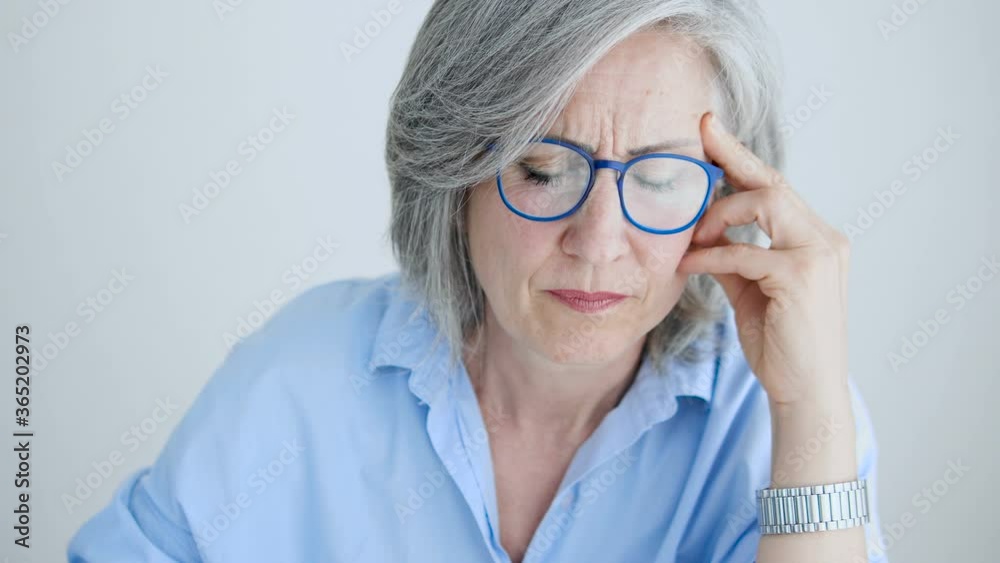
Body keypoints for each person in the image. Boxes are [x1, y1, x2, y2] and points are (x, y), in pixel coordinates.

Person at [68, 1, 886, 561]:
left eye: (661, 176)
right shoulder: (298, 378)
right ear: (453, 177)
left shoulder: (775, 416)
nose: (599, 243)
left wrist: (812, 411)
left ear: (728, 193)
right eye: (541, 168)